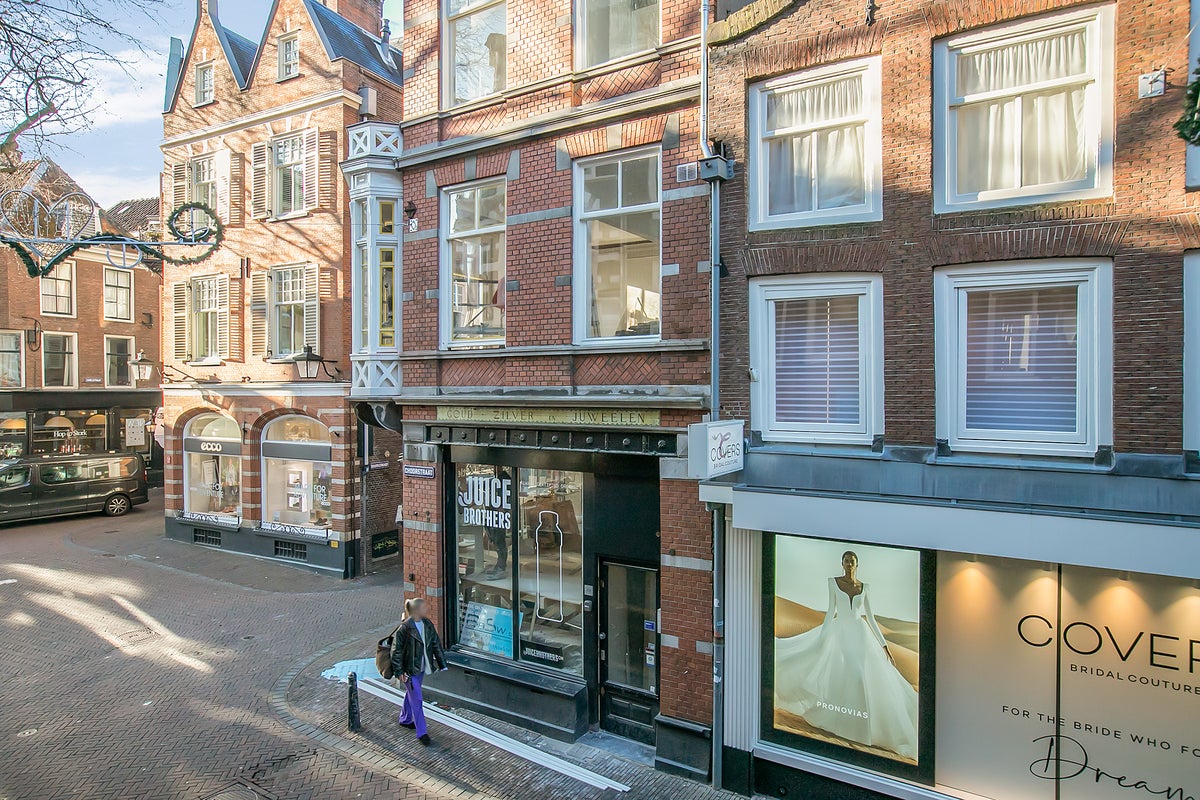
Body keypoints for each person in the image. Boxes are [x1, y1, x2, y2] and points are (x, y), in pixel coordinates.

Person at [775, 551, 919, 761]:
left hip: (861, 636)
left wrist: (884, 645)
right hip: (839, 633)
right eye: (846, 560)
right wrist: (822, 638)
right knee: (851, 676)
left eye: (852, 561)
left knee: (862, 678)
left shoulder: (865, 587)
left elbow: (870, 617)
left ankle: (861, 730)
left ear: (857, 564)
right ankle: (848, 726)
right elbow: (830, 611)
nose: (849, 564)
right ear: (841, 563)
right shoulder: (833, 583)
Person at [390, 597, 447, 746]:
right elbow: (396, 651)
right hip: (409, 670)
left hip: (421, 668)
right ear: (416, 610)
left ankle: (405, 719)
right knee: (417, 699)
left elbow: (435, 643)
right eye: (424, 607)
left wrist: (442, 663)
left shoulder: (427, 624)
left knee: (412, 694)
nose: (427, 608)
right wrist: (399, 671)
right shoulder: (405, 628)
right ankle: (422, 732)